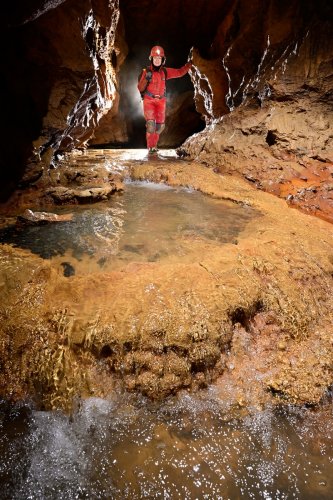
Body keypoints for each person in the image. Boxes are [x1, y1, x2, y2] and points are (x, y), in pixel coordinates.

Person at [137, 45, 192, 155]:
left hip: (161, 101)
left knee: (160, 126)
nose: (157, 60)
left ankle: (154, 146)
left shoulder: (165, 72)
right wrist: (146, 78)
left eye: (159, 58)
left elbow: (180, 72)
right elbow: (140, 88)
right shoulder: (146, 71)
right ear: (151, 59)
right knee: (151, 125)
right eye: (155, 58)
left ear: (162, 60)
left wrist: (189, 65)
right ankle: (150, 147)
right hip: (149, 100)